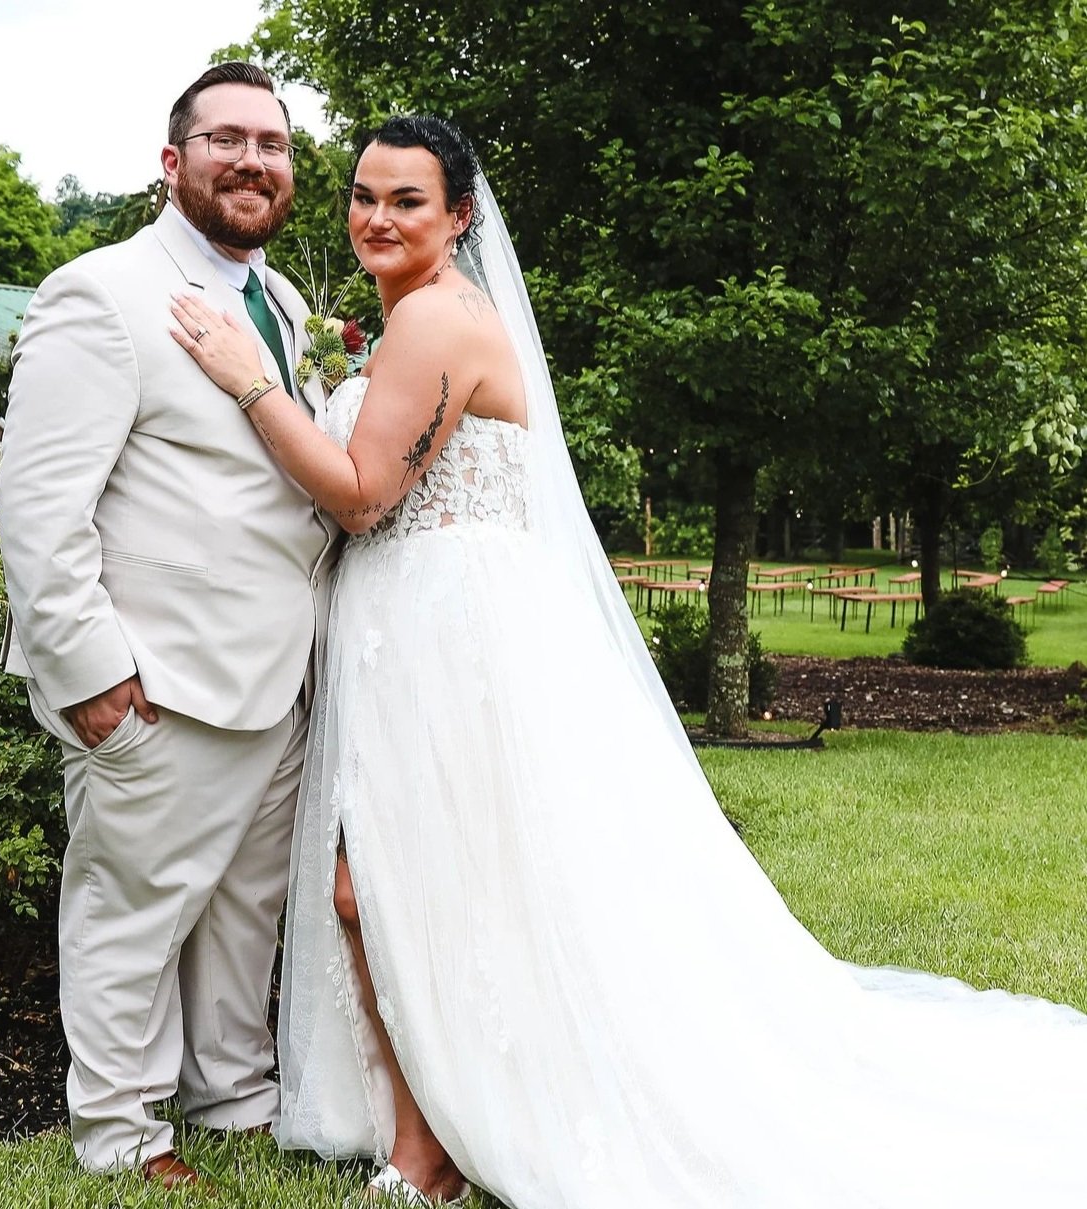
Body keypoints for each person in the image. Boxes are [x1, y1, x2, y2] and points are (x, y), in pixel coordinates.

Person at [169, 116, 1087, 1207]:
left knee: (389, 887)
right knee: (397, 886)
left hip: (454, 640)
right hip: (409, 630)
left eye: (406, 200)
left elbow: (367, 496)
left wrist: (247, 380)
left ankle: (433, 1152)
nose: (375, 216)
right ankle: (431, 1136)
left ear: (460, 216)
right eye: (363, 196)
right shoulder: (416, 318)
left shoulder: (436, 322)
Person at [0, 63, 338, 1190]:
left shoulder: (280, 303)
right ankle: (121, 1130)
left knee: (244, 908)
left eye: (273, 145)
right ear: (172, 158)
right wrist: (92, 673)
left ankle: (232, 1096)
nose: (252, 161)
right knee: (131, 915)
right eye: (226, 139)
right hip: (155, 678)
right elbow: (40, 514)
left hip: (275, 673)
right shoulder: (98, 292)